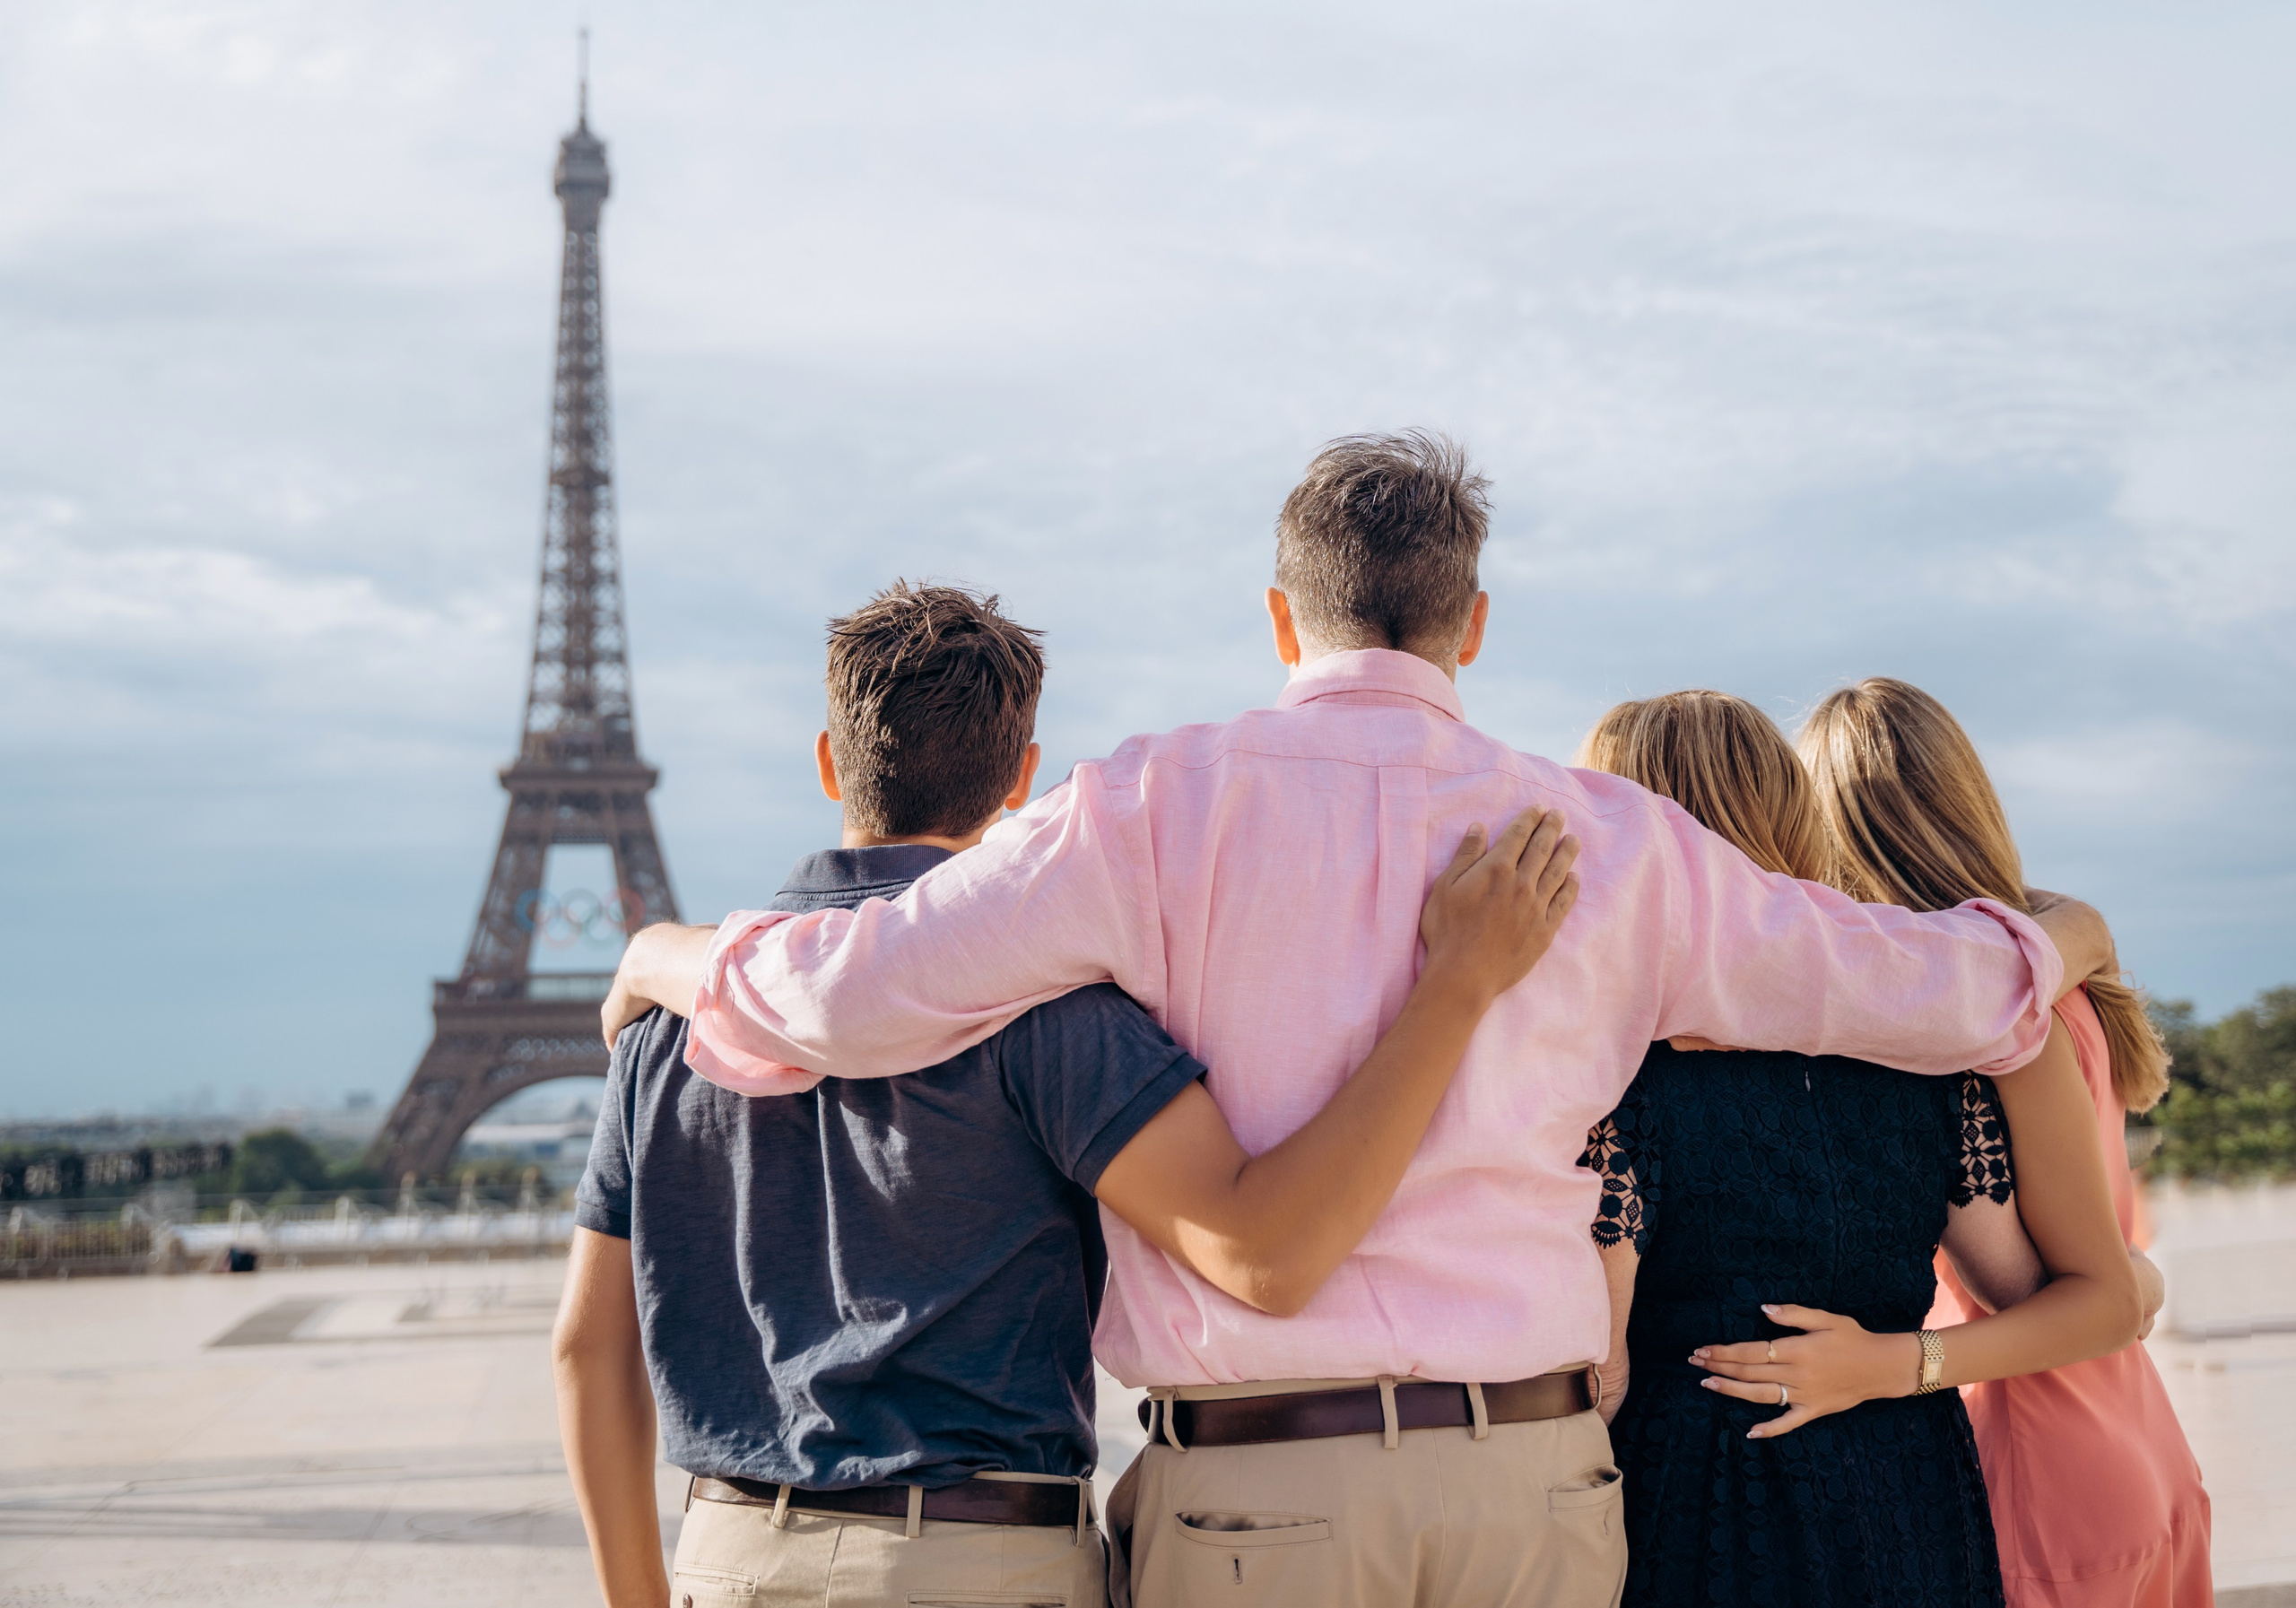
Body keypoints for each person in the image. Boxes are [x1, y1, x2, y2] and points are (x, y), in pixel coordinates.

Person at [604, 432, 2117, 1608]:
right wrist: (2058, 938)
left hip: (1261, 1490)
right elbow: (1926, 992)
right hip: (1531, 1479)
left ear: (1282, 615)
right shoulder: (1614, 844)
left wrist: (672, 952)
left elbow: (839, 1002)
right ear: (1472, 623)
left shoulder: (1142, 808)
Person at [552, 581, 1584, 1608]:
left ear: (829, 760)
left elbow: (588, 1348)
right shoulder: (1048, 1007)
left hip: (729, 1557)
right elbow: (1255, 1246)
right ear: (1020, 779)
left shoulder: (665, 1024)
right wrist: (1453, 986)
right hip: (976, 1561)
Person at [1575, 691, 2142, 1608]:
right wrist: (1903, 1359)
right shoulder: (1922, 1035)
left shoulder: (1619, 1069)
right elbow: (2028, 1288)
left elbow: (1601, 1373)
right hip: (1905, 1482)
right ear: (1788, 812)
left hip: (1699, 1493)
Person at [1800, 678, 2212, 1608]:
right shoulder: (2063, 983)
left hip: (2032, 1467)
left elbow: (2054, 1294)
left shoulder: (1976, 1022)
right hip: (2140, 1441)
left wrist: (1892, 1362)